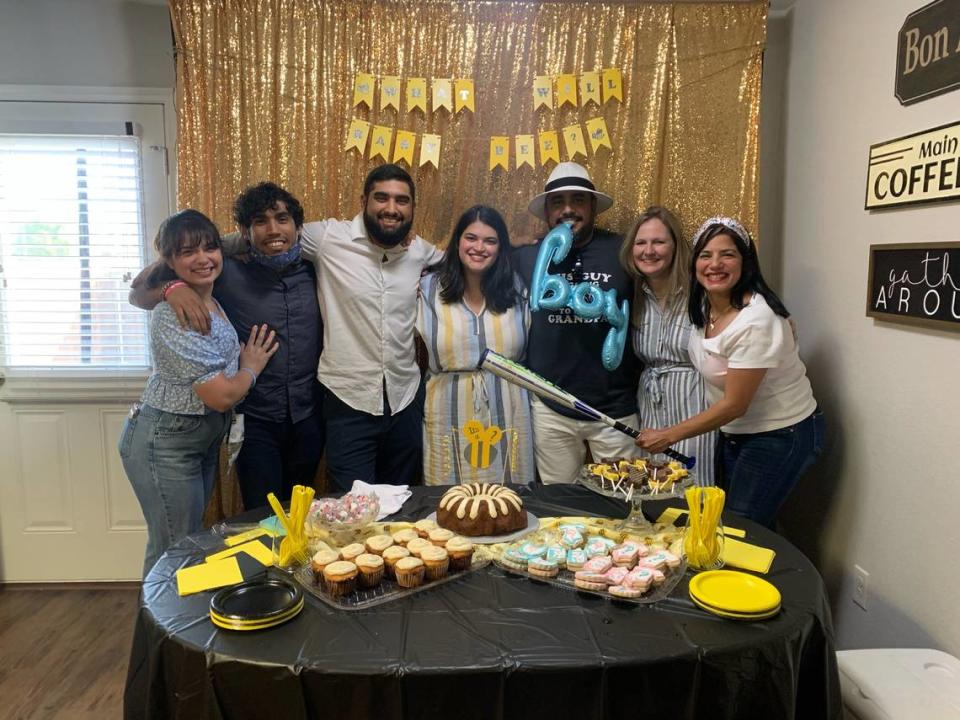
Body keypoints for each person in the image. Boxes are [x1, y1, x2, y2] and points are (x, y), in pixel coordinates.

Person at [228, 164, 442, 491]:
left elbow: (468, 258)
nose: (391, 208)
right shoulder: (326, 238)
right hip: (347, 402)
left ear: (412, 207)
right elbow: (271, 235)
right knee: (353, 508)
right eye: (381, 198)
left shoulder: (419, 250)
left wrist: (520, 243)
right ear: (364, 201)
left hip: (405, 398)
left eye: (402, 201)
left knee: (403, 501)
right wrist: (182, 276)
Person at [129, 183, 324, 511]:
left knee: (302, 515)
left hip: (309, 417)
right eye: (260, 221)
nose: (274, 229)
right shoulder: (226, 272)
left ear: (297, 227)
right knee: (261, 520)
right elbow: (137, 293)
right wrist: (172, 288)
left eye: (282, 218)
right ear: (246, 232)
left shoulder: (317, 268)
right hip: (256, 420)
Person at [119, 210, 278, 577]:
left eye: (210, 248)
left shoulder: (207, 296)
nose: (203, 258)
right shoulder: (174, 314)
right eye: (188, 252)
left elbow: (233, 243)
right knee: (172, 552)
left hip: (199, 440)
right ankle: (155, 635)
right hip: (166, 444)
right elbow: (221, 396)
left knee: (185, 545)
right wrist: (251, 366)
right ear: (170, 261)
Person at [636, 216, 824, 527]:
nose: (715, 264)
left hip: (780, 434)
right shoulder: (705, 306)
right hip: (737, 433)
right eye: (705, 255)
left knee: (741, 528)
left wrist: (668, 436)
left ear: (745, 261)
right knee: (741, 522)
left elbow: (736, 404)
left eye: (727, 254)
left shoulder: (757, 320)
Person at [512, 162, 639, 484]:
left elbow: (669, 285)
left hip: (615, 406)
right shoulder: (527, 255)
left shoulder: (624, 250)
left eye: (578, 200)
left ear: (593, 206)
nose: (568, 209)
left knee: (624, 500)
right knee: (559, 502)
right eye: (558, 202)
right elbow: (471, 259)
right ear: (546, 212)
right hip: (551, 406)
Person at [416, 205, 534, 486]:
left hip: (510, 407)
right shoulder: (427, 289)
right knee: (450, 498)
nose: (479, 247)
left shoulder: (519, 290)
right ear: (457, 241)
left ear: (500, 247)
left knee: (508, 497)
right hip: (446, 406)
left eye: (490, 240)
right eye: (471, 238)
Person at [619, 206, 716, 486]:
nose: (649, 250)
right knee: (653, 484)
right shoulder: (633, 293)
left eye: (659, 242)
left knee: (694, 485)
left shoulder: (701, 292)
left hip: (694, 402)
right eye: (641, 242)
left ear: (675, 246)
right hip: (649, 403)